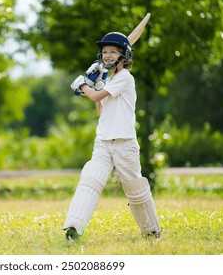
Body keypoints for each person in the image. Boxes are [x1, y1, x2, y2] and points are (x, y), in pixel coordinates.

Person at [64, 32, 161, 240]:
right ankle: (73, 228)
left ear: (124, 56)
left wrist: (84, 86)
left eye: (113, 52)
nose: (107, 56)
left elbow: (95, 97)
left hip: (124, 143)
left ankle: (152, 231)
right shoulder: (111, 80)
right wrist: (97, 83)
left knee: (135, 188)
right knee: (90, 180)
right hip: (103, 141)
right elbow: (101, 109)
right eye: (105, 52)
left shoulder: (125, 77)